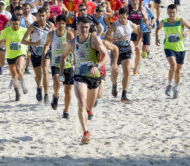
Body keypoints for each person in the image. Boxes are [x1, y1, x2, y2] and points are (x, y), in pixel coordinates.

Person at [59, 16, 109, 144]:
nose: (84, 30)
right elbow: (63, 56)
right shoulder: (71, 43)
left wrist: (97, 65)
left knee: (88, 106)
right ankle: (86, 132)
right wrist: (61, 72)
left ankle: (86, 113)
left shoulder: (94, 39)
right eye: (82, 27)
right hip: (80, 76)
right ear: (77, 27)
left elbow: (106, 56)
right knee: (81, 101)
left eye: (86, 27)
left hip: (94, 76)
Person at [156, 4, 190, 99]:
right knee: (173, 65)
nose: (171, 14)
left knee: (178, 70)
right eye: (169, 12)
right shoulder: (164, 22)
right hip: (169, 47)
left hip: (180, 48)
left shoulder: (180, 21)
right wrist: (157, 37)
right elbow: (158, 28)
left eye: (173, 12)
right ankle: (169, 85)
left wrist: (187, 33)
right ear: (167, 13)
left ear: (176, 12)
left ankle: (176, 87)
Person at [105, 8, 142, 103]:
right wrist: (117, 39)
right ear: (118, 16)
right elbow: (106, 38)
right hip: (116, 50)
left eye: (124, 17)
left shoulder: (131, 24)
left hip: (126, 50)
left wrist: (138, 43)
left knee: (127, 71)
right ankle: (114, 84)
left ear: (127, 16)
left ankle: (124, 95)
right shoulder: (115, 25)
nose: (122, 19)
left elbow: (140, 33)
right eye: (120, 17)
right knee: (115, 71)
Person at [42, 15, 74, 118]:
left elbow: (74, 47)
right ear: (56, 24)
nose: (61, 25)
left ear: (66, 24)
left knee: (68, 90)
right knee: (57, 82)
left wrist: (75, 57)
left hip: (68, 64)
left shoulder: (69, 35)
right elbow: (46, 45)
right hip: (55, 64)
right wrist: (44, 55)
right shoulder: (51, 34)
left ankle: (66, 111)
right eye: (59, 23)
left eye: (63, 23)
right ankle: (55, 95)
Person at [21, 8, 53, 103]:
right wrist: (34, 43)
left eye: (43, 16)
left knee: (46, 71)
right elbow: (23, 40)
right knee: (38, 76)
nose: (42, 18)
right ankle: (39, 88)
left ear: (46, 16)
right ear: (37, 16)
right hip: (35, 53)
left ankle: (46, 94)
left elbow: (54, 37)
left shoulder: (50, 25)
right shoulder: (33, 26)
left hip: (46, 52)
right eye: (40, 16)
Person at [0, 16, 29, 101]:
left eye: (17, 24)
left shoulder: (24, 30)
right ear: (11, 23)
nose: (15, 26)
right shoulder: (6, 31)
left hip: (21, 53)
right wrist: (1, 42)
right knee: (14, 76)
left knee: (19, 69)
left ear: (20, 23)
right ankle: (17, 93)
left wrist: (29, 51)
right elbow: (0, 43)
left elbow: (28, 41)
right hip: (10, 55)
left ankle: (23, 84)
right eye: (14, 24)